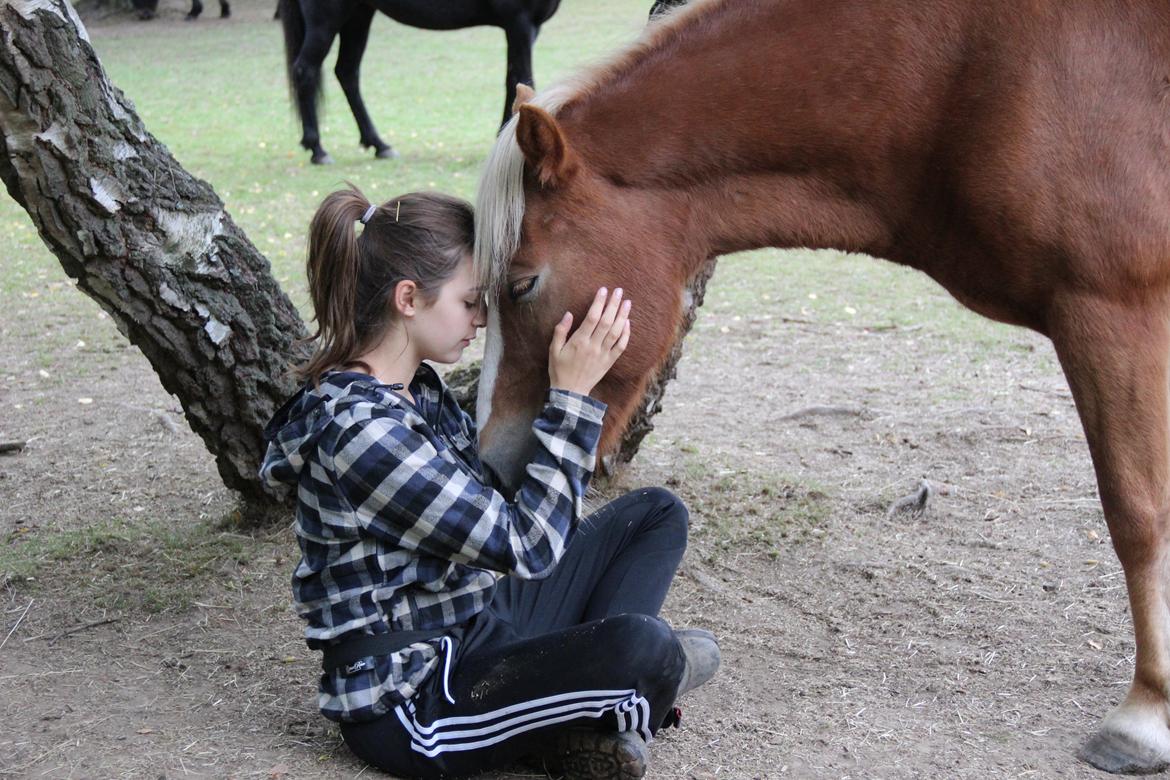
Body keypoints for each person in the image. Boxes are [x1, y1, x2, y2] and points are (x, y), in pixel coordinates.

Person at [260, 184, 720, 780]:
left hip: (478, 625)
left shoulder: (417, 391)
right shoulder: (361, 434)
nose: (483, 318)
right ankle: (602, 702)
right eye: (471, 300)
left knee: (655, 516)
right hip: (417, 701)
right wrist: (572, 400)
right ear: (408, 298)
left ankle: (588, 705)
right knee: (647, 647)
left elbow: (496, 515)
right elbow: (525, 545)